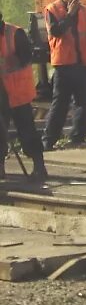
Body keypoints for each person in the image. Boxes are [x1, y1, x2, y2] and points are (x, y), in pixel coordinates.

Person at [42, 0, 86, 150]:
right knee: (60, 103)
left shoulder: (84, 11)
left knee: (82, 103)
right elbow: (56, 32)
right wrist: (70, 14)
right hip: (64, 65)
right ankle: (49, 140)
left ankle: (78, 137)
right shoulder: (52, 9)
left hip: (82, 64)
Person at [0, 9, 49, 181]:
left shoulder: (14, 33)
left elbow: (27, 57)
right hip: (1, 96)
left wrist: (10, 61)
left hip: (18, 94)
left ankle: (39, 166)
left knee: (27, 132)